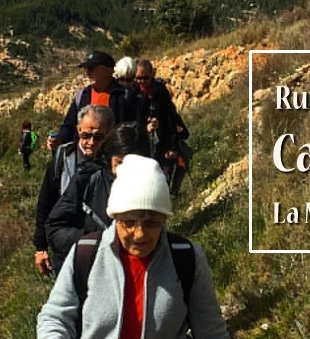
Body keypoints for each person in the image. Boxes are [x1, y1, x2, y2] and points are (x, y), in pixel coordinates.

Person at [37, 154, 229, 339]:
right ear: (115, 217)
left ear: (164, 219)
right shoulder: (86, 254)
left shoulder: (186, 259)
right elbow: (55, 317)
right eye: (129, 222)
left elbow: (211, 331)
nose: (140, 234)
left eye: (151, 223)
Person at [45, 122, 150, 270]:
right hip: (91, 272)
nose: (126, 170)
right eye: (120, 163)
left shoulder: (152, 188)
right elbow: (55, 229)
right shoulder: (87, 179)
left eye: (134, 164)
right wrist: (97, 242)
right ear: (109, 158)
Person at [33, 105, 114, 276]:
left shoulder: (115, 162)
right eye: (86, 135)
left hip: (104, 249)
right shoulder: (63, 157)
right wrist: (40, 247)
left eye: (98, 137)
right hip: (66, 248)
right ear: (78, 130)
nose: (91, 142)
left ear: (109, 134)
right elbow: (46, 201)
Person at [55, 51, 136, 145]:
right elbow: (69, 126)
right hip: (86, 151)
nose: (88, 73)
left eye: (92, 69)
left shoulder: (125, 96)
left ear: (108, 71)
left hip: (113, 152)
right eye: (87, 69)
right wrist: (58, 139)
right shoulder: (82, 95)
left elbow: (135, 129)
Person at [132, 59, 187, 190]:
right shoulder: (134, 92)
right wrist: (144, 127)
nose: (142, 81)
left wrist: (173, 147)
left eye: (145, 78)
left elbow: (170, 118)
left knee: (164, 175)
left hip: (163, 140)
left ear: (152, 74)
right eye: (138, 78)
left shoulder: (160, 91)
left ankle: (171, 193)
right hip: (143, 141)